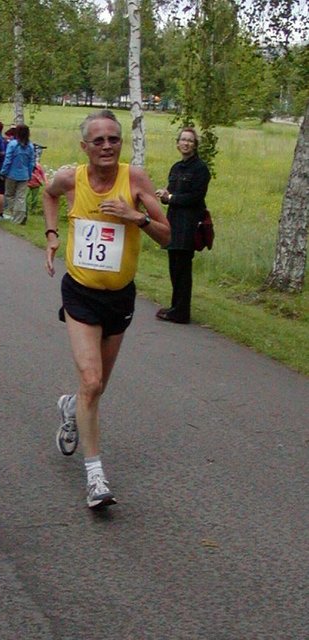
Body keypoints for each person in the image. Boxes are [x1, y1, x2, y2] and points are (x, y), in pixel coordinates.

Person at [43, 110, 170, 509]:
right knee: (93, 381)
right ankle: (95, 476)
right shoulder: (71, 178)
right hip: (80, 293)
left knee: (95, 388)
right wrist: (51, 235)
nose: (107, 146)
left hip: (119, 297)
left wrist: (138, 217)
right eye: (98, 140)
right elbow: (48, 193)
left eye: (113, 139)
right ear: (84, 147)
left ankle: (70, 405)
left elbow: (167, 237)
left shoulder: (135, 179)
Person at [155, 127, 211, 324]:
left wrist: (171, 197)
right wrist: (164, 196)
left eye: (190, 141)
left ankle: (181, 312)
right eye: (183, 140)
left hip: (188, 224)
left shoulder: (200, 169)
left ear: (195, 145)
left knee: (183, 269)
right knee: (174, 267)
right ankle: (175, 307)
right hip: (173, 223)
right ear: (177, 143)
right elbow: (170, 196)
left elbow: (196, 197)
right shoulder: (176, 168)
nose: (186, 143)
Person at [0, 123, 35, 224]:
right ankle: (20, 217)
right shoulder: (30, 146)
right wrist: (29, 174)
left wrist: (3, 171)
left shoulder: (12, 144)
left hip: (11, 174)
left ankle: (13, 214)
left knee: (9, 195)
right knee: (21, 197)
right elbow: (31, 162)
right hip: (24, 175)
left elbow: (8, 159)